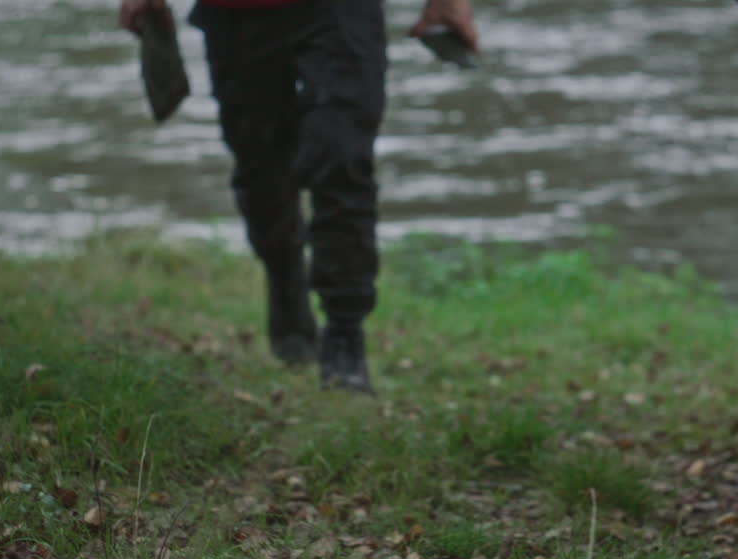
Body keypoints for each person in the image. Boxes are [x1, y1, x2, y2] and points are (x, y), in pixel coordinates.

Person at [119, 0, 478, 393]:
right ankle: (285, 278)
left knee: (342, 156)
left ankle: (344, 335)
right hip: (235, 11)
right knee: (260, 167)